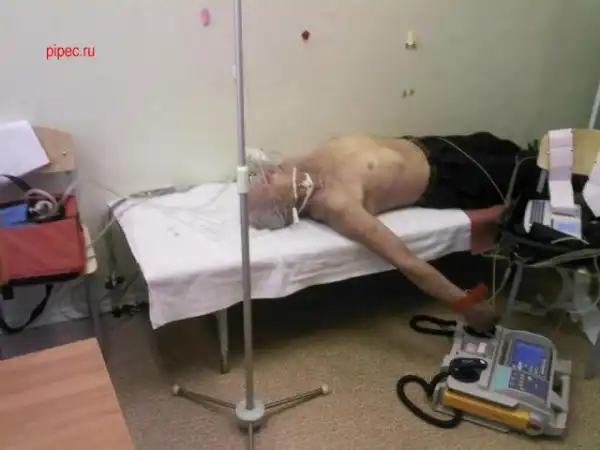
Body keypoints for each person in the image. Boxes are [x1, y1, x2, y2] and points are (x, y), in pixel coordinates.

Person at [247, 132, 539, 332]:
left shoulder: (296, 166)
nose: (267, 174)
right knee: (536, 174)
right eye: (266, 183)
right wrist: (466, 306)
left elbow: (256, 160)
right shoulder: (336, 205)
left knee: (512, 148)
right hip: (453, 178)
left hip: (434, 144)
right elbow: (406, 261)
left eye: (261, 176)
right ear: (284, 206)